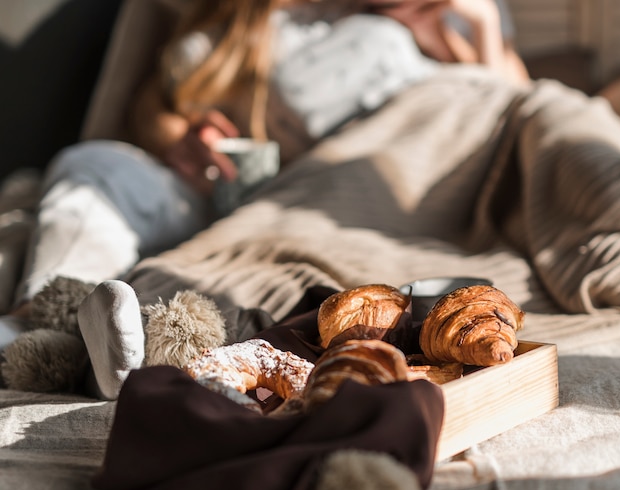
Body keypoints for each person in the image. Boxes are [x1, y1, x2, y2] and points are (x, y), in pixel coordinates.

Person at [0, 0, 530, 397]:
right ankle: (41, 324)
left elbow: (500, 113)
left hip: (320, 206)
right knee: (94, 164)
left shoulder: (415, 24)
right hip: (214, 190)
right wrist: (181, 137)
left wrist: (480, 24)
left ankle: (123, 355)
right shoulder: (239, 16)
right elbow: (153, 101)